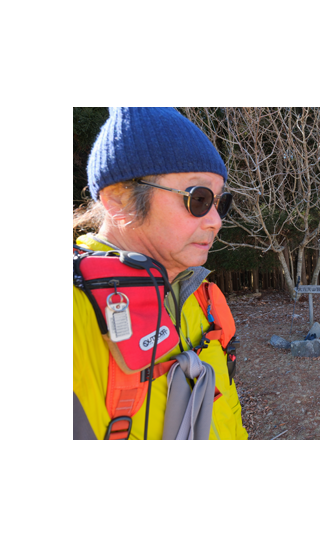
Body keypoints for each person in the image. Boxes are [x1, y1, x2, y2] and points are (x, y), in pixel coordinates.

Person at [73, 107, 247, 440]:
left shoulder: (203, 296)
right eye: (198, 199)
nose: (216, 221)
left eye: (219, 202)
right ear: (119, 201)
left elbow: (227, 405)